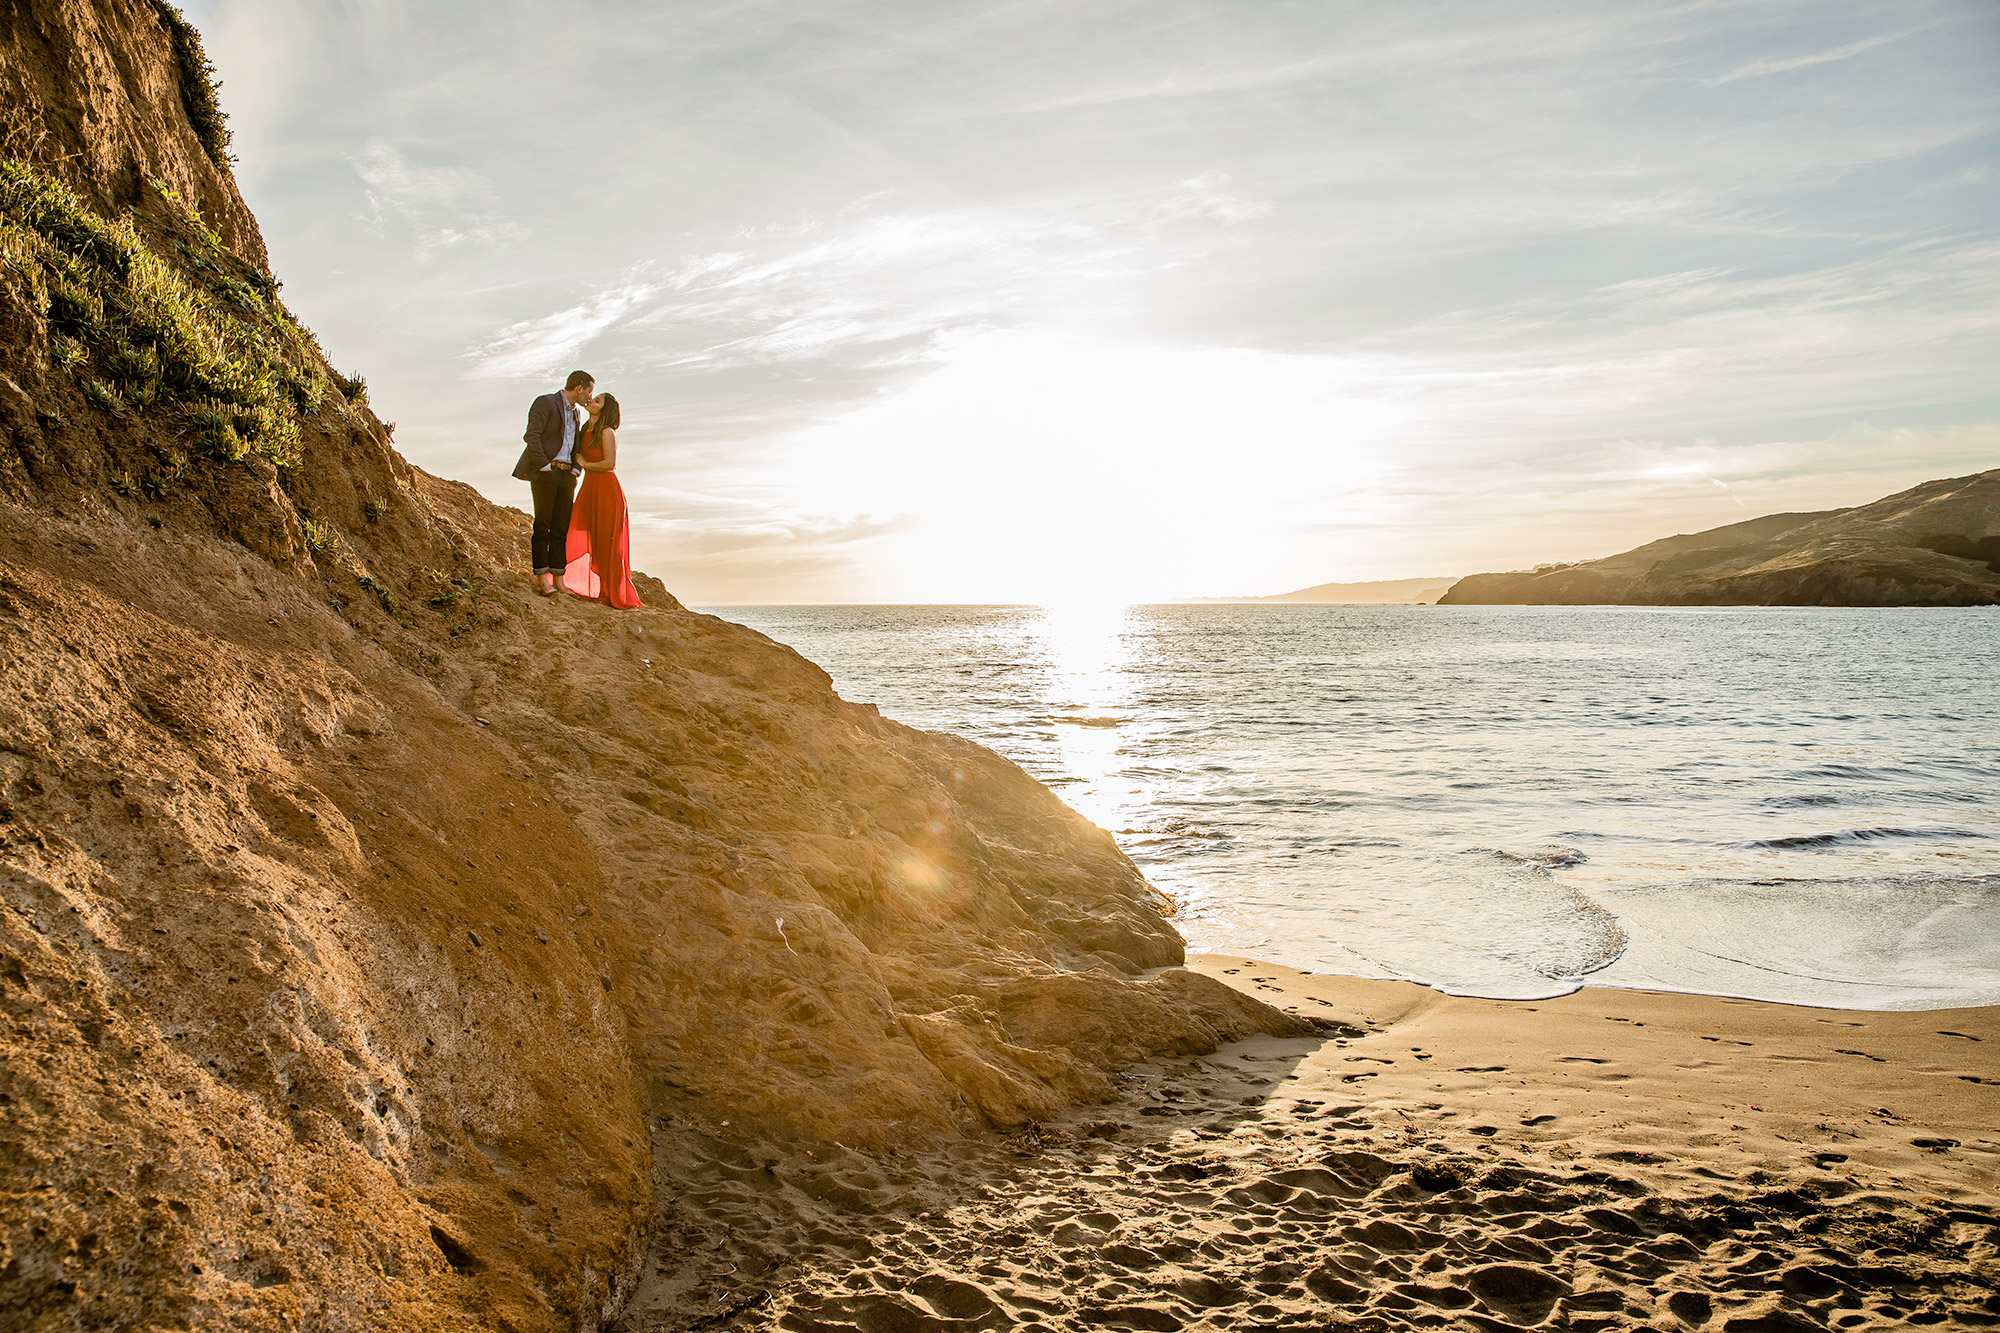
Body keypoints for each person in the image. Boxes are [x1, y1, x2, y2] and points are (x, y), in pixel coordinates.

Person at [514, 370, 594, 596]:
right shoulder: (545, 402)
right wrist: (544, 466)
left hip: (567, 476)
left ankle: (559, 579)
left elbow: (575, 443)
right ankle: (541, 578)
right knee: (543, 526)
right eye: (589, 391)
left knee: (561, 527)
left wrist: (576, 470)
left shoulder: (577, 413)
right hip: (546, 473)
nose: (589, 397)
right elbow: (532, 435)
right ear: (579, 388)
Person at [563, 392, 642, 609]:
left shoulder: (607, 432)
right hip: (589, 488)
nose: (591, 401)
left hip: (607, 490)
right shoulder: (585, 429)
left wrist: (584, 463)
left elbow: (609, 464)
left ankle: (612, 593)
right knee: (585, 534)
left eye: (597, 401)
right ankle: (593, 587)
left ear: (604, 410)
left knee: (608, 541)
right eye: (593, 398)